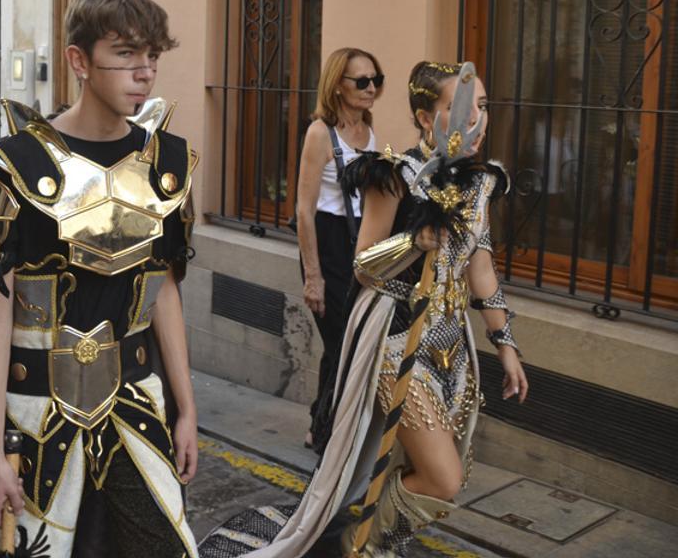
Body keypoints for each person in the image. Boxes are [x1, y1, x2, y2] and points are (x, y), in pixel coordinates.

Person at [200, 61, 529, 558]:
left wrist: (505, 345)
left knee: (421, 467)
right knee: (442, 478)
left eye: (482, 107)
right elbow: (363, 266)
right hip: (396, 339)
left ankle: (369, 544)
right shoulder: (393, 176)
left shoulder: (481, 183)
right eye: (463, 108)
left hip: (452, 345)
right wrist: (415, 241)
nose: (478, 120)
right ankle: (360, 546)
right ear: (425, 118)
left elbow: (480, 267)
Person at [0, 0, 201, 557]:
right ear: (78, 61)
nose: (144, 72)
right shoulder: (14, 167)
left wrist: (186, 408)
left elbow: (165, 293)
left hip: (135, 402)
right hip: (34, 417)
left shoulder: (169, 165)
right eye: (126, 54)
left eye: (152, 55)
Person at [295, 47, 382, 454]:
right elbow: (304, 211)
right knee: (343, 342)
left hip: (360, 244)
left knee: (347, 341)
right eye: (361, 81)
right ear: (338, 85)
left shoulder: (367, 128)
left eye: (375, 80)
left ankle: (321, 424)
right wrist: (313, 277)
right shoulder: (320, 133)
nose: (370, 88)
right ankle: (330, 433)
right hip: (328, 244)